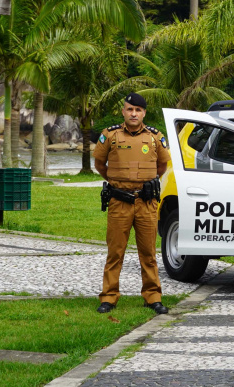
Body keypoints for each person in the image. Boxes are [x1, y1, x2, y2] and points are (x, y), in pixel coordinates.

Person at [93, 93, 171, 314]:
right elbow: (99, 164)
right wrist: (117, 181)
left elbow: (162, 165)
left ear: (144, 113)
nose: (133, 114)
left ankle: (153, 297)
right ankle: (109, 298)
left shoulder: (155, 137)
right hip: (119, 201)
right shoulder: (110, 135)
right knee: (115, 252)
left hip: (146, 203)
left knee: (148, 253)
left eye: (138, 110)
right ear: (123, 111)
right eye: (130, 109)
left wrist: (146, 183)